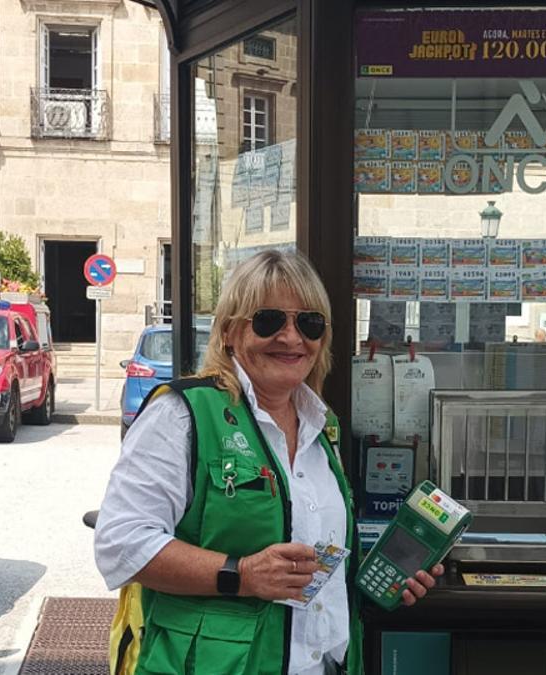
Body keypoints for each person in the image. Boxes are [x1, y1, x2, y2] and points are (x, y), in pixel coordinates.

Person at [95, 250, 441, 675]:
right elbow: (120, 545)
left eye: (309, 323)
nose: (292, 338)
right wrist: (241, 574)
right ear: (228, 332)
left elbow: (314, 569)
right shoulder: (183, 414)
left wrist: (373, 584)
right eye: (269, 320)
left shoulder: (323, 427)